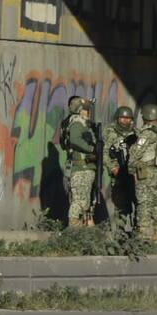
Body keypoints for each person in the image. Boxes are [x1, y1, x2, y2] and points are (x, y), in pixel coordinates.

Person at [130, 103, 157, 242]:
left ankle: (142, 236)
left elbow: (136, 152)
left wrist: (131, 168)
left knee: (144, 203)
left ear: (147, 116)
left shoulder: (147, 133)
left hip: (146, 173)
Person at [61, 96, 98, 226]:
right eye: (86, 109)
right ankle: (74, 232)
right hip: (81, 168)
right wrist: (92, 149)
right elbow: (75, 140)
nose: (88, 112)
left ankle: (84, 233)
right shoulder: (77, 122)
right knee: (79, 202)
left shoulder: (75, 122)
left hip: (83, 168)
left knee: (84, 202)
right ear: (80, 110)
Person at [103, 105, 138, 228]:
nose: (125, 120)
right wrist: (113, 168)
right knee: (121, 206)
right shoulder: (110, 132)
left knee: (138, 205)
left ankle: (137, 233)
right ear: (117, 118)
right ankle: (120, 235)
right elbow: (105, 153)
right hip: (118, 174)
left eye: (128, 118)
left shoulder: (136, 132)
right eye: (122, 118)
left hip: (133, 174)